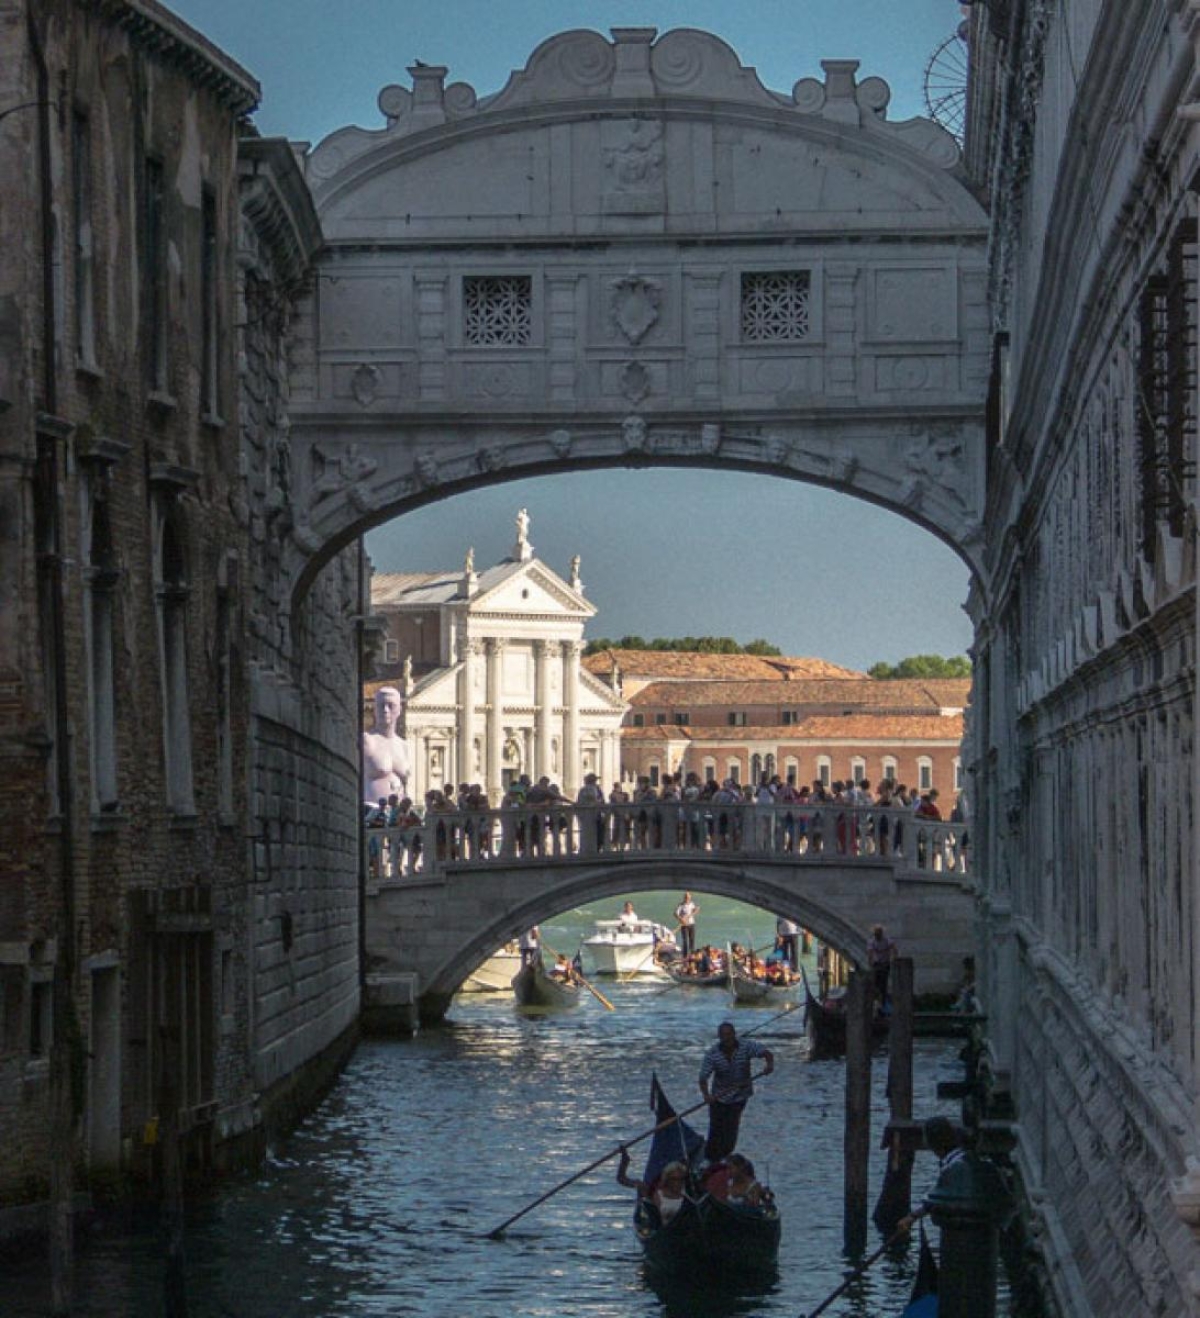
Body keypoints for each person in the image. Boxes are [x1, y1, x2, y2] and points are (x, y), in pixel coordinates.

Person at [698, 1021, 774, 1161]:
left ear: (734, 1035)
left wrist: (769, 1066)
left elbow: (767, 1054)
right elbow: (703, 1078)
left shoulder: (746, 1046)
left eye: (729, 1035)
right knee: (716, 1130)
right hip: (718, 1098)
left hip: (739, 1096)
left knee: (731, 1129)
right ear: (719, 1037)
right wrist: (706, 1095)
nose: (727, 1039)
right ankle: (710, 1160)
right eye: (724, 1036)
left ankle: (725, 1157)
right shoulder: (713, 1054)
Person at [363, 686, 411, 803]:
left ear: (399, 709)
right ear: (374, 709)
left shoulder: (403, 745)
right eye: (381, 705)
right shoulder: (367, 740)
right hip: (372, 812)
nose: (385, 710)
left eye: (391, 705)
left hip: (399, 813)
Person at [616, 1152, 690, 1223]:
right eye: (674, 1179)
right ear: (667, 1179)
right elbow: (622, 1179)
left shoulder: (689, 1193)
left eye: (681, 1179)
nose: (677, 1183)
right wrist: (624, 1162)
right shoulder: (654, 1193)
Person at [867, 923, 898, 1008]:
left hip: (885, 963)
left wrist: (894, 959)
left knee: (883, 983)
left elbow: (894, 948)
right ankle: (877, 1000)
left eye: (878, 933)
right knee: (876, 983)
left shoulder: (887, 940)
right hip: (877, 964)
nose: (877, 935)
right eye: (876, 934)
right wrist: (870, 964)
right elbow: (870, 953)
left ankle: (882, 1001)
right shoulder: (872, 941)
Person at [675, 891, 699, 957]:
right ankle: (685, 956)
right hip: (684, 925)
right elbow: (675, 914)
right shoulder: (681, 905)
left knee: (692, 940)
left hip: (692, 924)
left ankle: (692, 954)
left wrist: (696, 910)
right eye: (686, 897)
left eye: (688, 897)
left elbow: (695, 909)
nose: (687, 898)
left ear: (690, 897)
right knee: (685, 941)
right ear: (684, 898)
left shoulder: (692, 904)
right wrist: (681, 919)